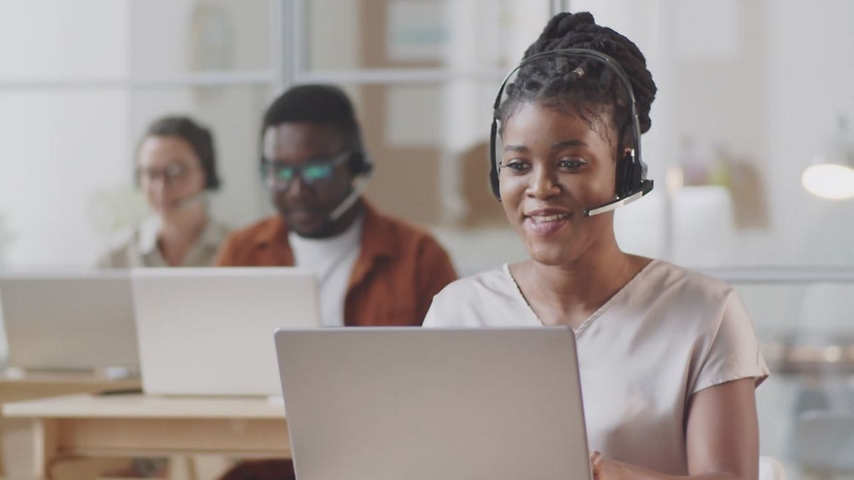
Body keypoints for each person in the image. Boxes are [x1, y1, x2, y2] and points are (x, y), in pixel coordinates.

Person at [424, 12, 769, 480]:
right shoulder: (458, 312)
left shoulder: (705, 312)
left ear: (622, 170)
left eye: (570, 162)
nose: (540, 187)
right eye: (518, 165)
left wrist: (597, 473)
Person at [216, 84, 457, 328]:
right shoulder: (241, 252)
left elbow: (449, 360)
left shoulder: (419, 258)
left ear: (354, 167)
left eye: (316, 170)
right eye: (280, 171)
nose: (297, 190)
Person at [97, 116, 231, 268]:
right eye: (151, 173)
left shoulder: (240, 251)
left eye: (176, 171)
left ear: (205, 174)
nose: (161, 188)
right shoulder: (115, 260)